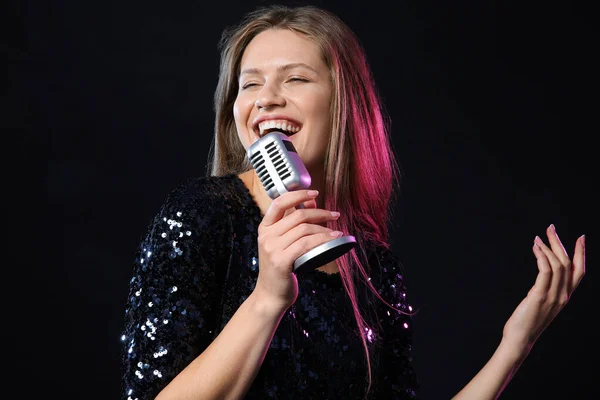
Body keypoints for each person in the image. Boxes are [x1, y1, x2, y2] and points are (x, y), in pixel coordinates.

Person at [119, 5, 586, 400]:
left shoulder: (372, 263)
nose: (266, 100)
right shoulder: (204, 214)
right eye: (250, 84)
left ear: (344, 101)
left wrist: (514, 345)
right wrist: (267, 298)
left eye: (296, 78)